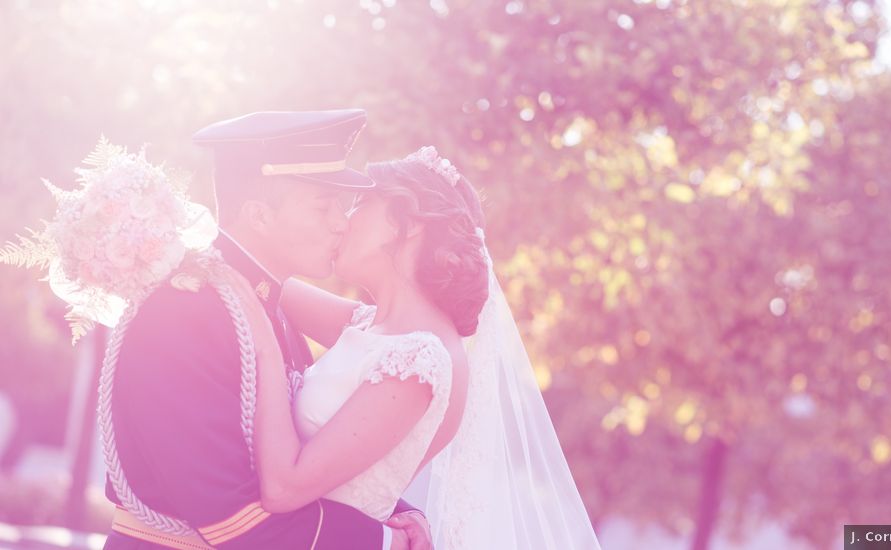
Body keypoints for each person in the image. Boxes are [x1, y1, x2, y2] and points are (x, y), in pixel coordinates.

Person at [234, 145, 602, 549]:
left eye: (359, 204)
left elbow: (286, 488)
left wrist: (265, 352)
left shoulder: (419, 362)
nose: (340, 223)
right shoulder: (372, 327)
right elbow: (257, 275)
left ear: (404, 225)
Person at [102, 110, 430, 550]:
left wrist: (388, 506)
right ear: (259, 215)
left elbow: (287, 454)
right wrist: (381, 542)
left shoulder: (264, 308)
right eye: (323, 205)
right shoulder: (183, 310)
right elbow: (231, 519)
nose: (341, 222)